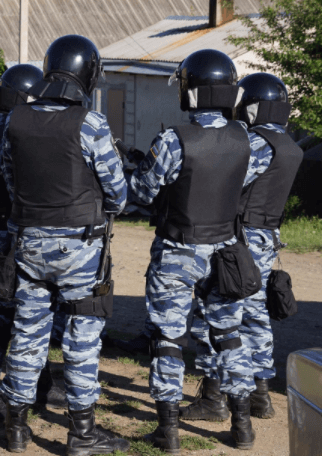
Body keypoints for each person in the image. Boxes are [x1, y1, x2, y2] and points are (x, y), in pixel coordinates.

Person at [128, 49, 271, 452]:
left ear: (191, 91)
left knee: (169, 338)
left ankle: (168, 431)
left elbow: (141, 192)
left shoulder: (173, 140)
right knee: (229, 335)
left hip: (177, 251)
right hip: (226, 253)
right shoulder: (248, 139)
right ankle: (242, 426)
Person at [0, 35, 129, 455]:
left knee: (28, 332)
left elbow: (7, 174)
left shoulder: (15, 119)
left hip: (29, 244)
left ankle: (16, 428)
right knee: (82, 337)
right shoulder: (91, 124)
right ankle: (82, 435)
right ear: (87, 75)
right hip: (80, 248)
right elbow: (118, 194)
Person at [182, 73, 302, 424]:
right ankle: (259, 395)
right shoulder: (288, 144)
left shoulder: (256, 143)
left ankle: (213, 397)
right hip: (265, 237)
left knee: (216, 312)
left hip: (238, 239)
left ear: (252, 107)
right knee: (254, 313)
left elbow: (226, 178)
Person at [0, 64, 68, 422]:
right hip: (14, 239)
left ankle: (32, 386)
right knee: (19, 316)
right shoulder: (13, 133)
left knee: (15, 315)